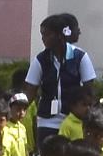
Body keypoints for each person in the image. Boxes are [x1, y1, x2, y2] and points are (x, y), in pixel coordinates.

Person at [26, 13, 98, 143]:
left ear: (59, 35)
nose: (43, 38)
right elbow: (30, 93)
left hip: (73, 120)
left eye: (46, 34)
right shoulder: (40, 60)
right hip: (46, 121)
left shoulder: (80, 57)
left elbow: (89, 91)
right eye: (42, 34)